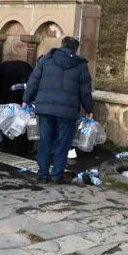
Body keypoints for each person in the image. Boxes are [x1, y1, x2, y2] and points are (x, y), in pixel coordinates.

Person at [23, 36, 94, 183]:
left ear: (62, 45)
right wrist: (89, 109)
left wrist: (26, 99)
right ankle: (56, 176)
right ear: (75, 48)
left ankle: (42, 174)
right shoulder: (80, 65)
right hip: (67, 113)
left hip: (45, 109)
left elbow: (33, 81)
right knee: (62, 144)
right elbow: (85, 91)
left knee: (45, 141)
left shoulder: (46, 59)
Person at [0, 59, 34, 155]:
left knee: (7, 120)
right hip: (23, 94)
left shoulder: (1, 67)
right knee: (23, 120)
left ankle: (7, 145)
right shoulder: (26, 66)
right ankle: (24, 147)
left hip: (6, 96)